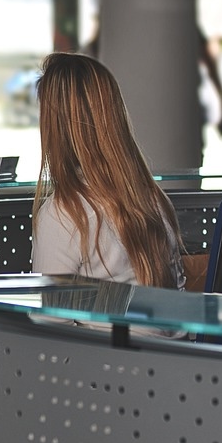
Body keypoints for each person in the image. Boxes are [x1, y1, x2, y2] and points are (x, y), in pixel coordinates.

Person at [31, 52, 186, 289]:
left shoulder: (63, 215)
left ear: (55, 127)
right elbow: (179, 299)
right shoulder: (154, 199)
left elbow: (50, 321)